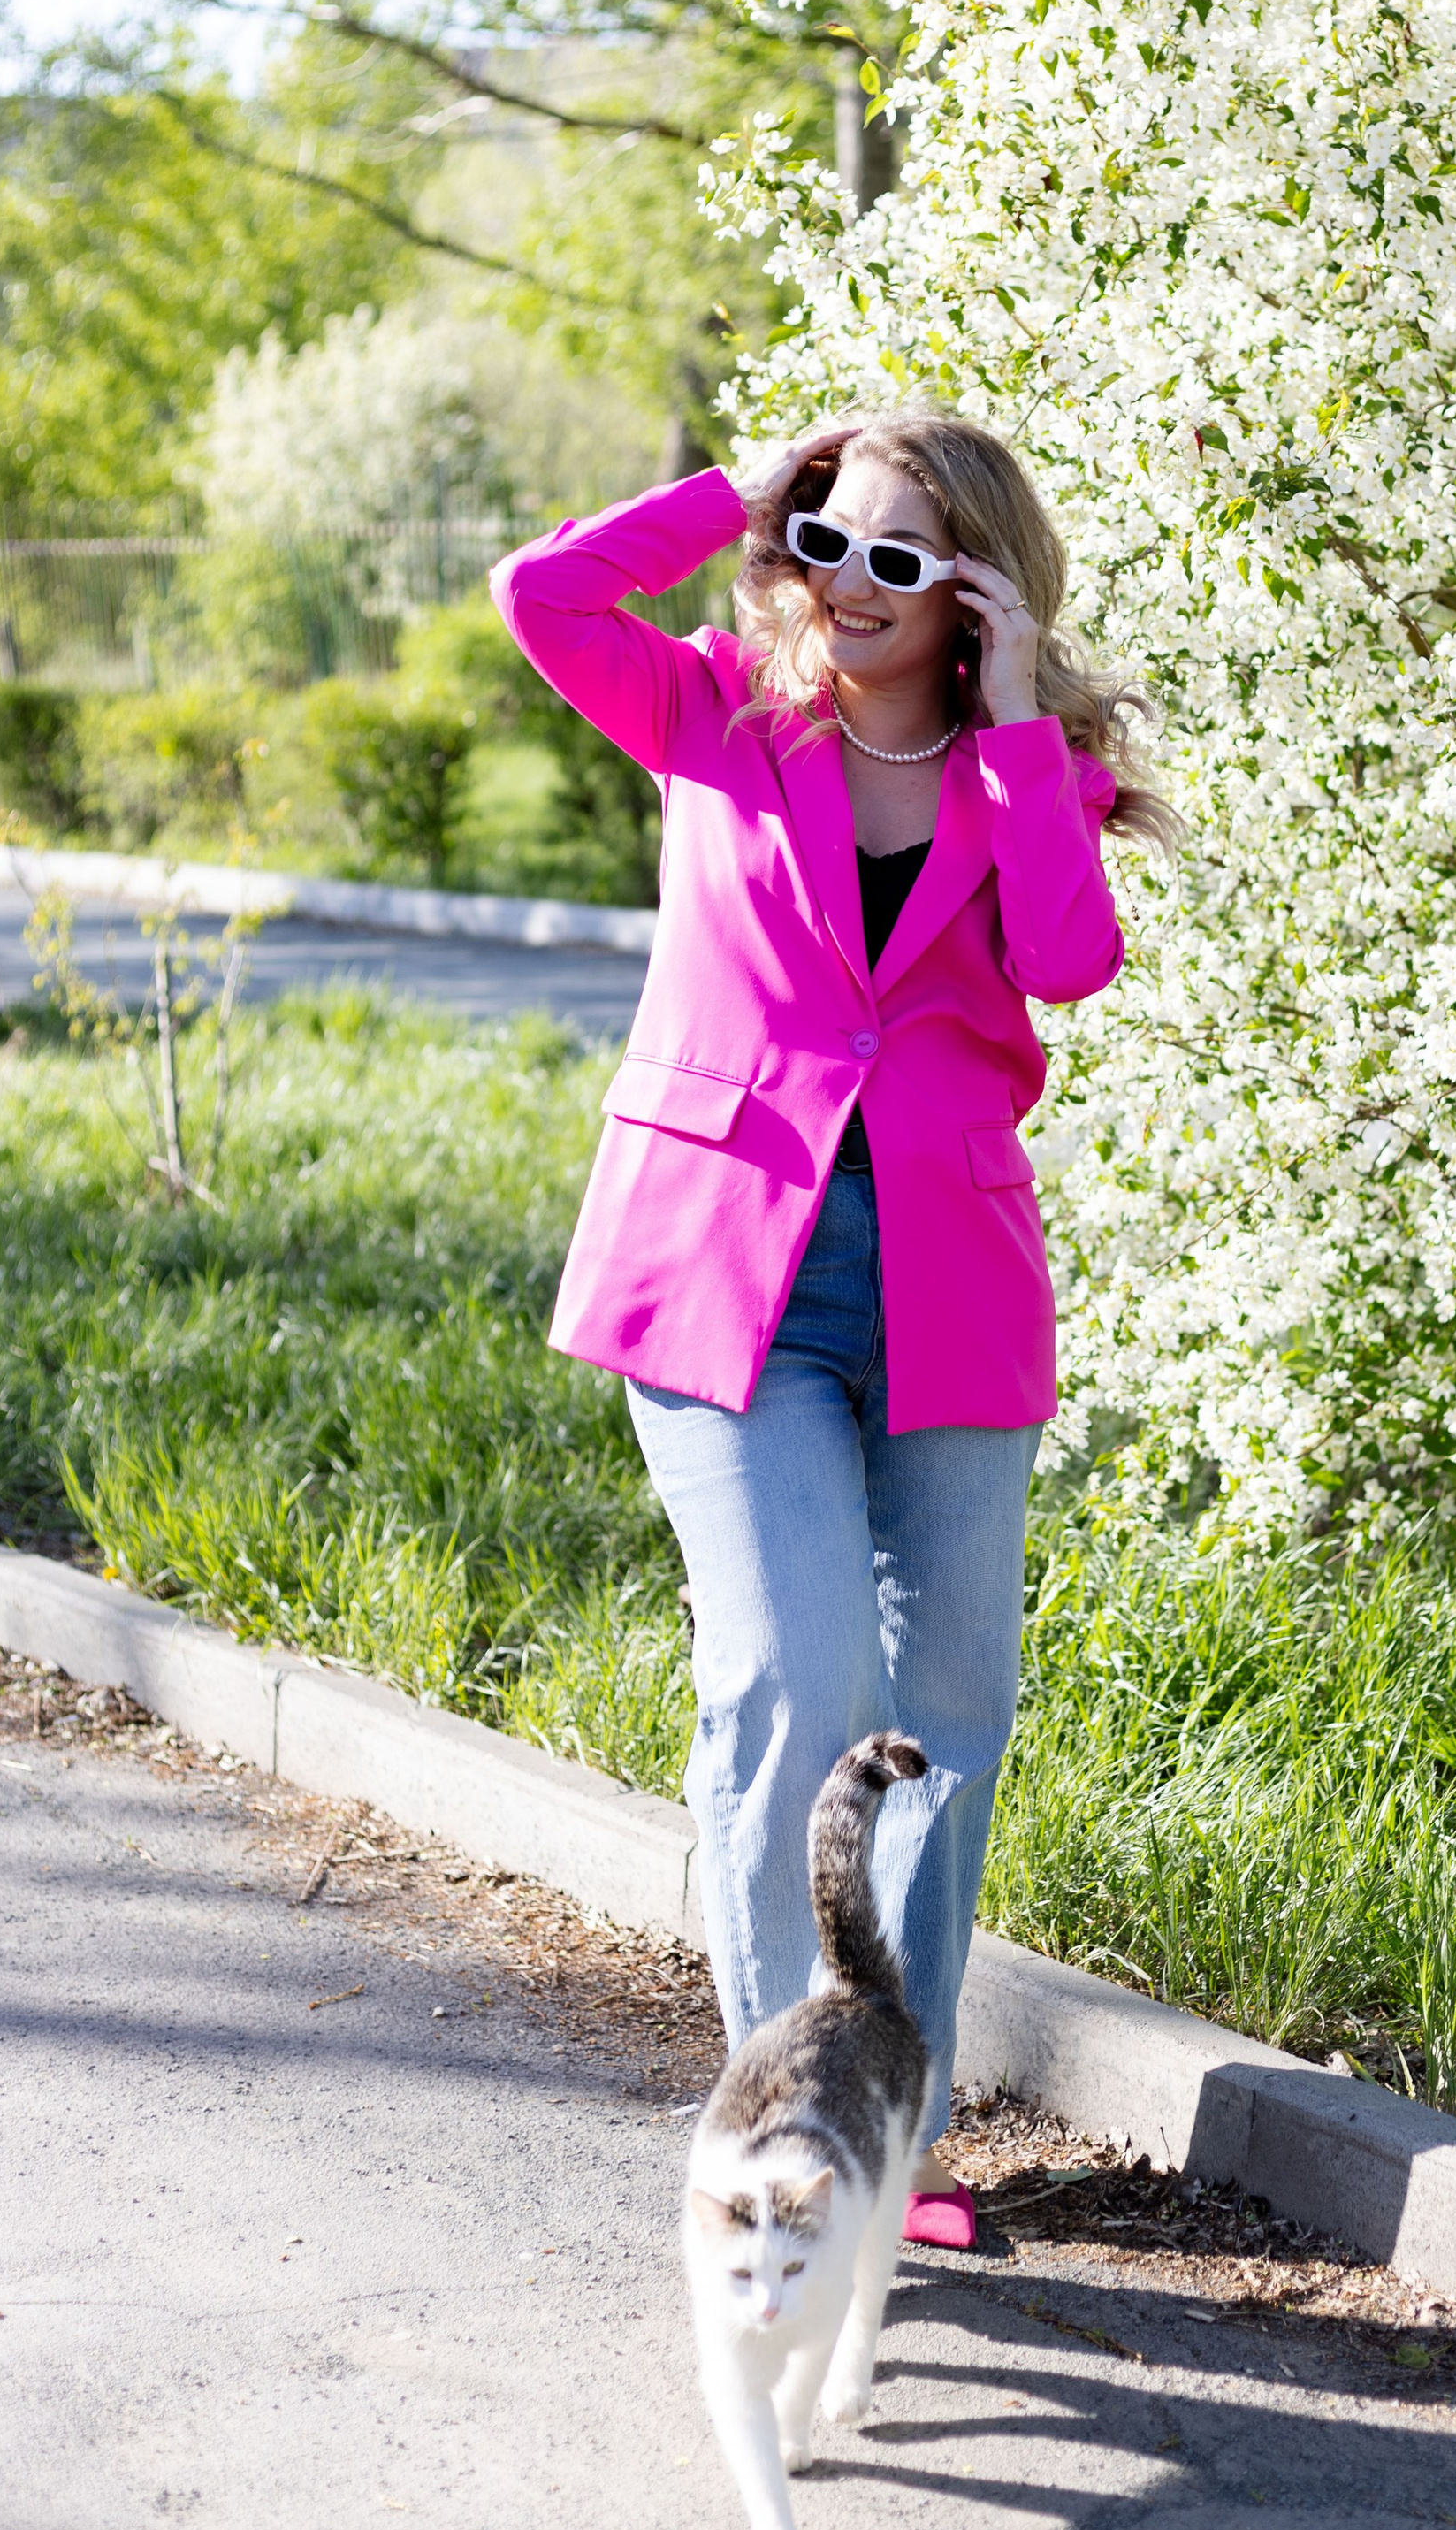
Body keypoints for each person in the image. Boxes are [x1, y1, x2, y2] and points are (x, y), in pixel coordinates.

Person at [491, 409, 1169, 2244]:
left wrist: (1017, 712)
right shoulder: (720, 705)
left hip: (944, 1268)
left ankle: (893, 2138)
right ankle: (783, 2122)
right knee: (792, 1678)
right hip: (724, 1262)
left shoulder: (1039, 768)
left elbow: (1063, 960)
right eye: (833, 546)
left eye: (903, 562)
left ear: (973, 592)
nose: (852, 591)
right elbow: (539, 593)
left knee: (945, 1711)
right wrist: (738, 493)